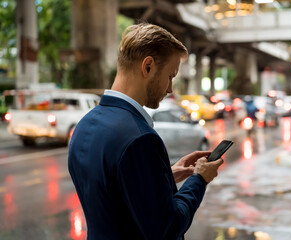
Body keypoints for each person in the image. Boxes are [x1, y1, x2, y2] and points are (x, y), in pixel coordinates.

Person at [68, 23, 224, 240]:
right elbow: (167, 228)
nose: (170, 89)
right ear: (148, 66)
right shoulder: (140, 139)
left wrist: (165, 177)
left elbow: (114, 194)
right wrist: (199, 179)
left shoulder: (84, 125)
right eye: (170, 76)